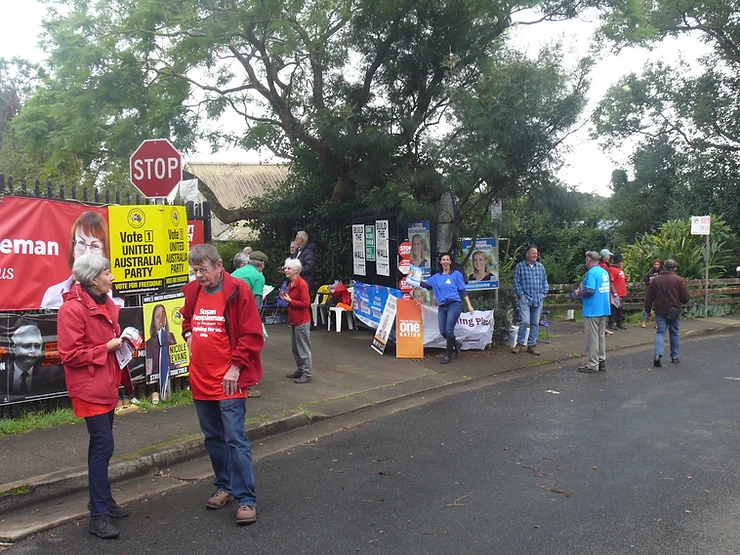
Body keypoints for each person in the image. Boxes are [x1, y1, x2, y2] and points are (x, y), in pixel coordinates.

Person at [180, 244, 263, 525]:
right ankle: (224, 486)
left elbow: (252, 335)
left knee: (235, 438)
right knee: (213, 438)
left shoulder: (239, 290)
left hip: (229, 381)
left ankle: (246, 499)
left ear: (219, 265)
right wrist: (189, 333)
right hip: (201, 379)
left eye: (203, 269)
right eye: (195, 270)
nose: (199, 275)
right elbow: (187, 320)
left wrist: (235, 367)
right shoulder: (194, 292)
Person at [57, 254, 134, 539]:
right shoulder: (72, 310)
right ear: (92, 280)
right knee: (103, 447)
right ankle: (98, 515)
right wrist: (107, 347)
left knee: (101, 447)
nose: (111, 276)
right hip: (89, 389)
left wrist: (123, 343)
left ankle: (101, 502)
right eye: (106, 272)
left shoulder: (105, 302)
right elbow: (70, 355)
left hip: (106, 385)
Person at [42, 211, 124, 309]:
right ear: (73, 249)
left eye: (95, 246)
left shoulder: (116, 302)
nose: (87, 253)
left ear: (104, 253)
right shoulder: (52, 295)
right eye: (81, 243)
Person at [420, 253, 475, 364]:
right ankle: (456, 344)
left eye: (447, 260)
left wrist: (469, 305)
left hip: (454, 304)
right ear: (440, 262)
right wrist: (411, 277)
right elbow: (425, 285)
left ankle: (448, 355)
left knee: (449, 329)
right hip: (442, 306)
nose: (445, 261)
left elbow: (462, 290)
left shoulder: (456, 274)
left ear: (450, 262)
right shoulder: (436, 277)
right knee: (443, 331)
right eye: (443, 260)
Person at [232, 251, 269, 398]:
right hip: (244, 317)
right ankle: (248, 385)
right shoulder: (258, 276)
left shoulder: (236, 272)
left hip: (229, 315)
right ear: (262, 265)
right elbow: (257, 303)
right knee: (250, 350)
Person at [644, 258, 691, 367]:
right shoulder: (679, 280)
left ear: (664, 267)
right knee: (674, 332)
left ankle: (658, 354)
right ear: (675, 268)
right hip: (674, 310)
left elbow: (649, 297)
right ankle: (674, 356)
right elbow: (686, 297)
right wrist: (680, 301)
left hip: (660, 310)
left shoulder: (656, 280)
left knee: (660, 332)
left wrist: (648, 310)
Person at [3, 324, 65, 398]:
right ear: (14, 349)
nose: (33, 351)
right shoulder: (3, 372)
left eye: (37, 346)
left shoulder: (52, 372)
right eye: (26, 346)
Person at [575, 251, 611, 374]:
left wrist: (579, 292)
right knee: (601, 336)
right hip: (604, 307)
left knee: (592, 338)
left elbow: (590, 290)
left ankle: (592, 364)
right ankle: (601, 360)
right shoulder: (604, 272)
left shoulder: (591, 273)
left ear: (589, 260)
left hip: (592, 309)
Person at [511, 246, 549, 356]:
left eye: (536, 253)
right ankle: (520, 343)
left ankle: (532, 345)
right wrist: (521, 295)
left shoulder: (541, 267)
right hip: (525, 299)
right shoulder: (520, 266)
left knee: (535, 323)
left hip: (538, 299)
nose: (535, 255)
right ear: (527, 254)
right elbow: (516, 282)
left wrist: (542, 295)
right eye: (533, 253)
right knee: (524, 321)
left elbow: (545, 283)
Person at [282, 258, 313, 384]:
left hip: (301, 320)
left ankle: (308, 374)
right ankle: (301, 370)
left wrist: (290, 301)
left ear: (296, 271)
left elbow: (306, 304)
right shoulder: (291, 284)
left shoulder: (302, 284)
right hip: (295, 320)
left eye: (289, 268)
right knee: (295, 348)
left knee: (303, 348)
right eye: (285, 268)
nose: (286, 270)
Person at [144, 304, 177, 400]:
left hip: (172, 377)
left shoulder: (171, 337)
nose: (161, 320)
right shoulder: (149, 343)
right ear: (153, 321)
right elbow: (149, 370)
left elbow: (177, 362)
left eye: (163, 316)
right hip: (156, 379)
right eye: (157, 317)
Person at [608, 254, 628, 330]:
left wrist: (626, 278)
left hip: (622, 292)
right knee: (613, 308)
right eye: (621, 262)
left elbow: (619, 279)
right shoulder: (613, 269)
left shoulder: (620, 270)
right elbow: (611, 281)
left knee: (620, 309)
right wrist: (614, 292)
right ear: (618, 262)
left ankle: (619, 323)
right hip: (616, 293)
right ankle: (611, 323)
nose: (622, 264)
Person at [641, 259, 662, 327]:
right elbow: (646, 282)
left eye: (657, 264)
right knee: (647, 306)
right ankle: (643, 321)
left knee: (658, 307)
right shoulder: (649, 273)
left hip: (659, 292)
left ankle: (656, 323)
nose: (656, 266)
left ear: (660, 265)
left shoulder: (661, 273)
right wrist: (649, 282)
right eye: (655, 264)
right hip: (650, 291)